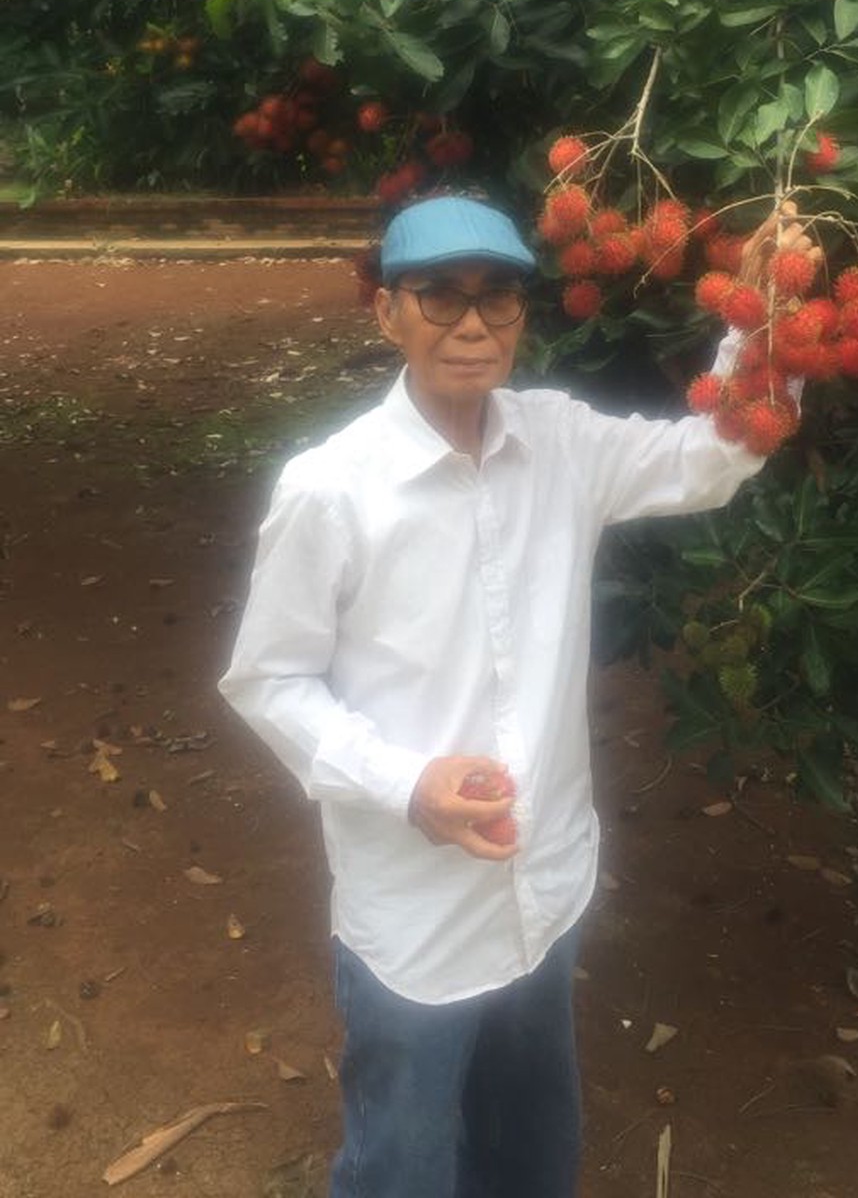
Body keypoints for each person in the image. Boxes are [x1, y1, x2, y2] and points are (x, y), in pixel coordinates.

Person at [218, 192, 818, 1198]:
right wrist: (409, 783)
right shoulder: (332, 490)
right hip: (414, 914)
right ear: (388, 315)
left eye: (497, 298)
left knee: (531, 1150)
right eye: (439, 296)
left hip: (541, 884)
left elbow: (713, 457)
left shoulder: (562, 446)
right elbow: (269, 679)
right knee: (398, 1165)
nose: (471, 323)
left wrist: (761, 316)